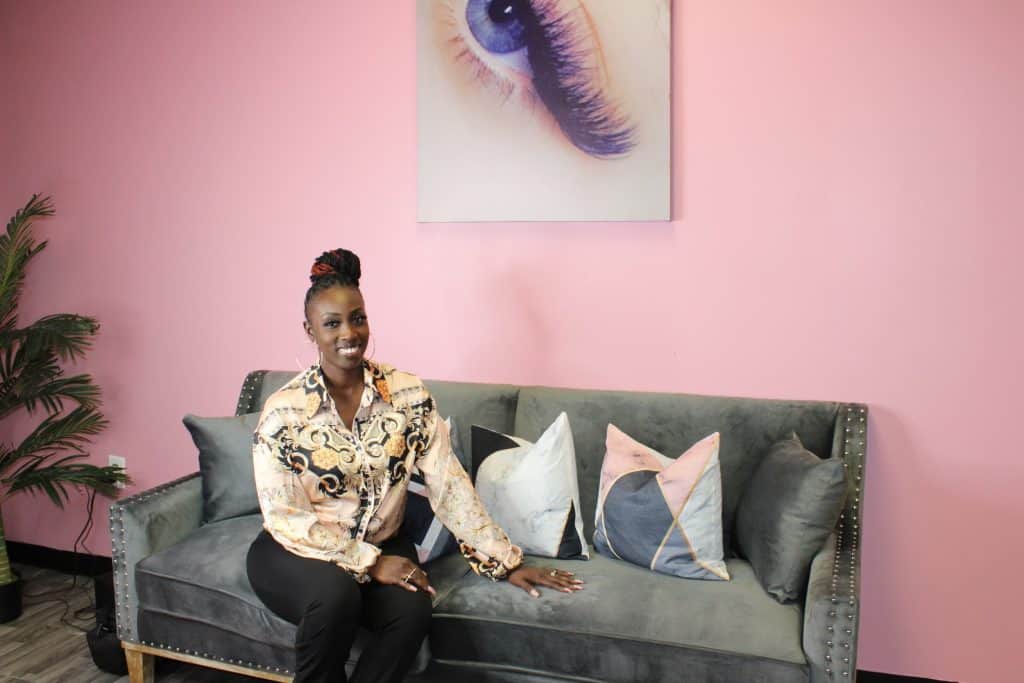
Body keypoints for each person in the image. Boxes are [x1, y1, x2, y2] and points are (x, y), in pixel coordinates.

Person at [246, 248, 584, 683]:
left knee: (412, 610)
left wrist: (507, 562)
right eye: (332, 323)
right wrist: (370, 564)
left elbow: (450, 484)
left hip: (382, 541)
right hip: (296, 549)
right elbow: (285, 517)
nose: (349, 333)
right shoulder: (284, 412)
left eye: (358, 318)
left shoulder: (407, 397)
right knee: (336, 597)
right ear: (309, 330)